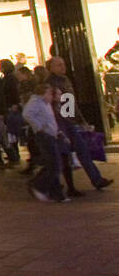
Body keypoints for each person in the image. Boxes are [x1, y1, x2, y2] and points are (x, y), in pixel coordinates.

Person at [46, 55, 112, 194]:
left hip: (69, 121)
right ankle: (68, 187)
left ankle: (97, 179)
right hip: (60, 122)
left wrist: (80, 119)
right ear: (51, 68)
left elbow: (71, 102)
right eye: (59, 65)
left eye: (63, 64)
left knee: (83, 150)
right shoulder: (50, 83)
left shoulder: (66, 80)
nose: (63, 67)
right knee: (64, 155)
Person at [23, 82, 66, 203]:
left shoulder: (45, 104)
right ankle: (38, 185)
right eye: (49, 93)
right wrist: (39, 126)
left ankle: (53, 192)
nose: (51, 96)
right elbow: (27, 114)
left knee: (53, 164)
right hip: (44, 136)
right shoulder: (36, 102)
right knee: (55, 164)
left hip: (50, 135)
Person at [0, 59, 23, 166]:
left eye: (1, 65)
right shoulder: (8, 78)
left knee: (11, 131)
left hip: (10, 107)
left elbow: (13, 93)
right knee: (11, 131)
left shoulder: (9, 79)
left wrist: (14, 104)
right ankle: (14, 153)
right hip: (9, 106)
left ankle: (14, 154)